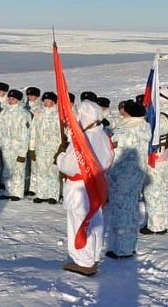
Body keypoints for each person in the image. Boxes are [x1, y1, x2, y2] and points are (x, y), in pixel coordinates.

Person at [56, 100, 114, 276]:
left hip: (81, 187)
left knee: (81, 222)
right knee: (95, 221)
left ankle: (84, 262)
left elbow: (69, 166)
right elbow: (109, 159)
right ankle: (92, 256)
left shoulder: (83, 139)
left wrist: (60, 155)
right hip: (97, 184)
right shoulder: (103, 135)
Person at [105, 100, 151, 258]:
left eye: (125, 109)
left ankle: (122, 249)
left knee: (122, 210)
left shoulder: (127, 129)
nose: (122, 111)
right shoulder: (144, 126)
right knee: (131, 209)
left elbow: (116, 151)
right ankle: (128, 245)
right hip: (136, 174)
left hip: (123, 175)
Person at [142, 87, 168, 235]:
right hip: (164, 155)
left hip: (157, 157)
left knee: (153, 191)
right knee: (161, 189)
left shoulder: (162, 117)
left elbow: (154, 132)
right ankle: (160, 223)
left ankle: (155, 225)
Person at [0, 89, 32, 201]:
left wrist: (23, 152)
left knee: (18, 170)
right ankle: (8, 191)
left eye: (13, 99)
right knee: (7, 170)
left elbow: (26, 134)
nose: (10, 100)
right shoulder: (4, 112)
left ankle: (17, 193)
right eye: (10, 98)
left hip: (18, 147)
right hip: (6, 146)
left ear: (19, 100)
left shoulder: (24, 113)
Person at [30, 92, 61, 204]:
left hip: (54, 148)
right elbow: (33, 131)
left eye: (49, 101)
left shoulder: (58, 115)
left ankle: (53, 195)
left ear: (54, 102)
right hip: (40, 148)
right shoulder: (38, 114)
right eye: (45, 101)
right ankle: (41, 194)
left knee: (53, 172)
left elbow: (63, 133)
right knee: (41, 172)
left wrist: (61, 148)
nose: (47, 103)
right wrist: (32, 148)